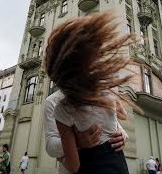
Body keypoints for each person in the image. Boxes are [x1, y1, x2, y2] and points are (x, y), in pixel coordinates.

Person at [44, 11, 143, 174]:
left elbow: (116, 120)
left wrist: (121, 134)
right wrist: (78, 141)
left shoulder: (63, 107)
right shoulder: (52, 102)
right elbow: (50, 145)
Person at [44, 90, 129, 174]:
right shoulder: (53, 102)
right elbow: (50, 147)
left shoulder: (99, 91)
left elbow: (115, 123)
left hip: (112, 161)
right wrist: (76, 142)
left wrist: (122, 135)